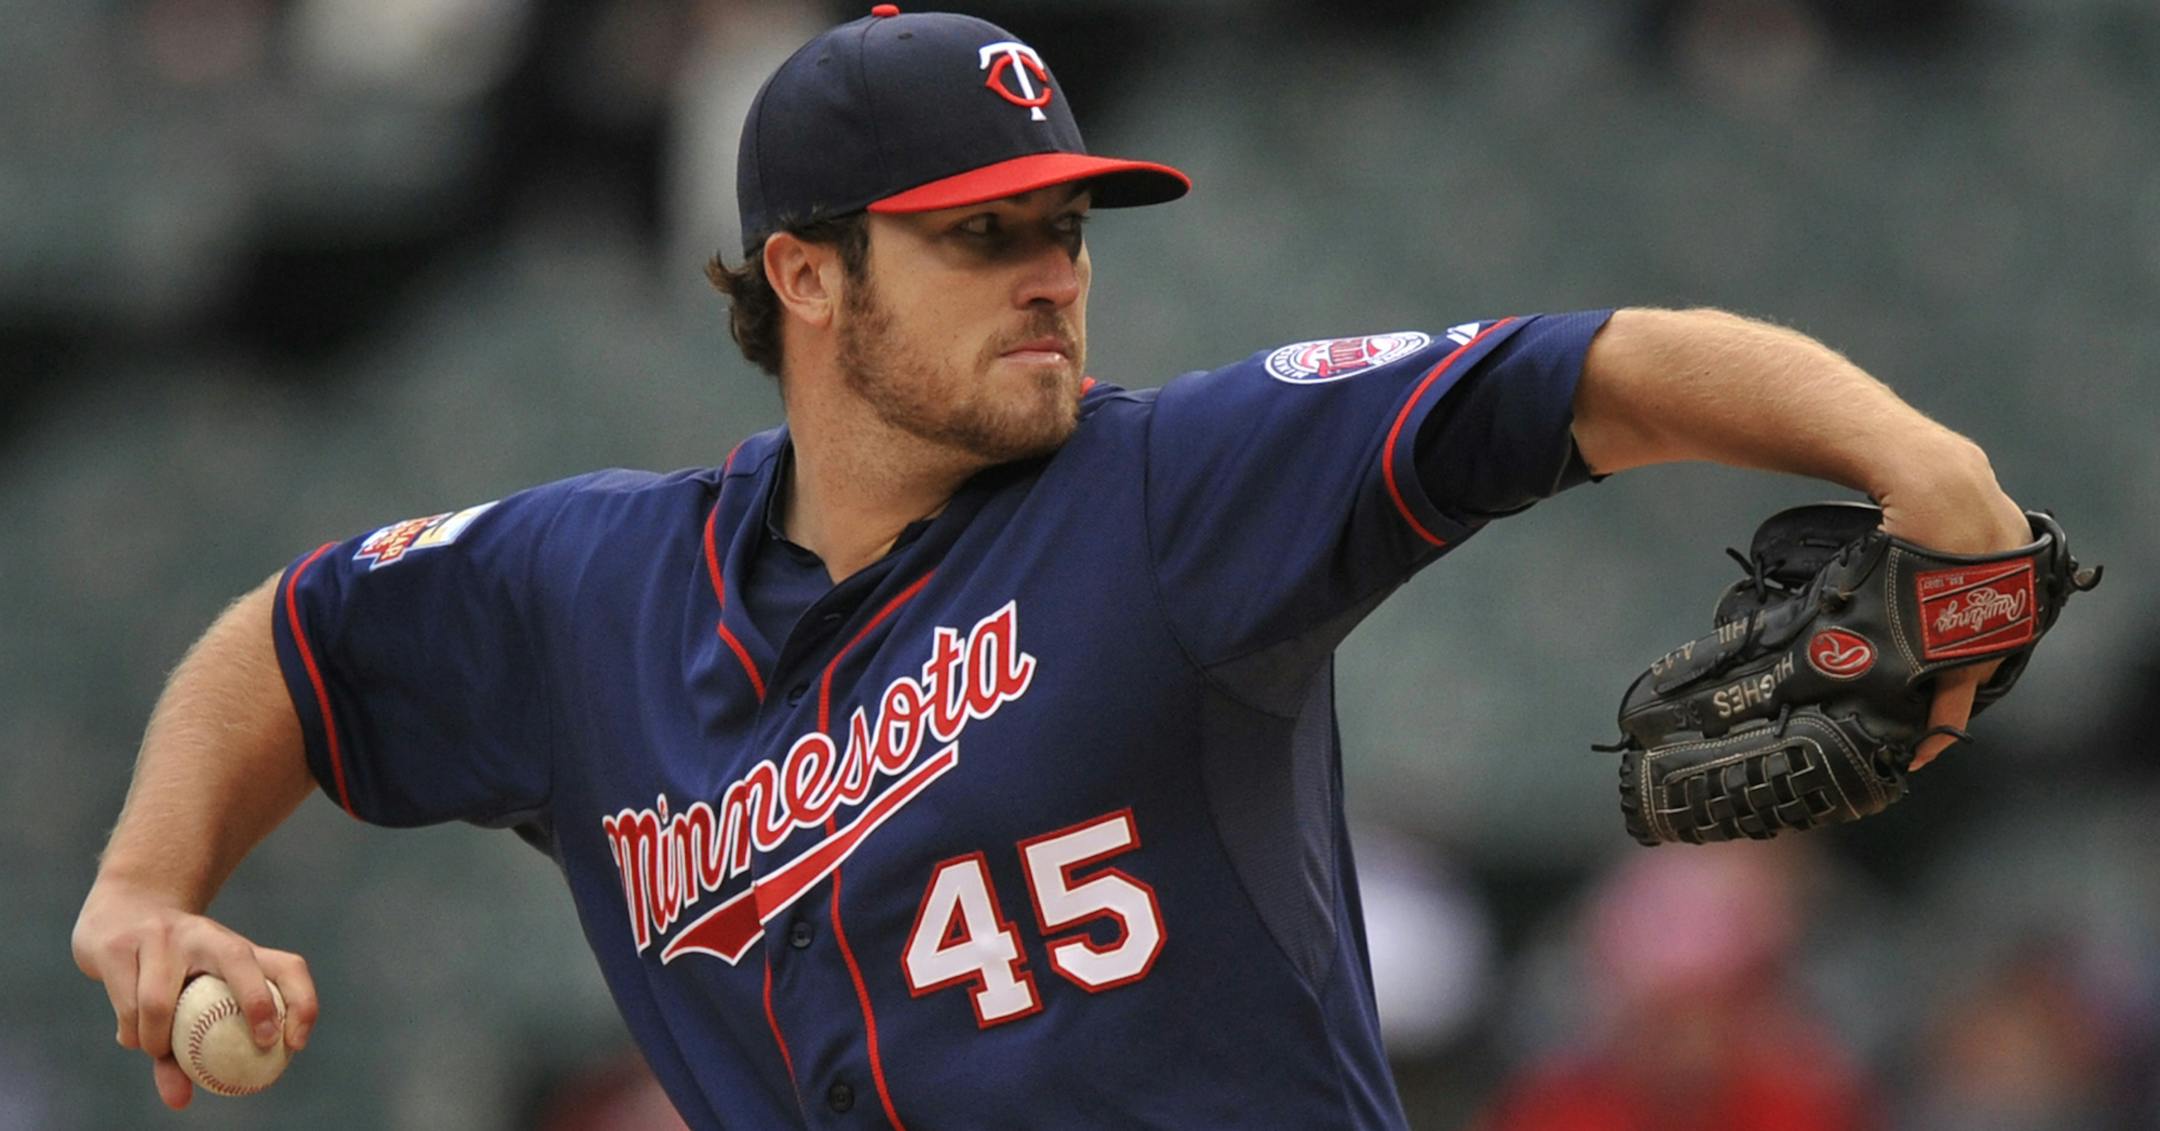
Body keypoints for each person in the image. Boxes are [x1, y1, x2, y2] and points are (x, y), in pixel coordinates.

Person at [72, 6, 2031, 1128]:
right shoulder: (589, 602)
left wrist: (1922, 465)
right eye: (981, 231)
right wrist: (154, 884)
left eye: (1067, 224)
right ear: (808, 278)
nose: (1053, 273)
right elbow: (297, 635)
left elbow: (1594, 367)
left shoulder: (1180, 482)